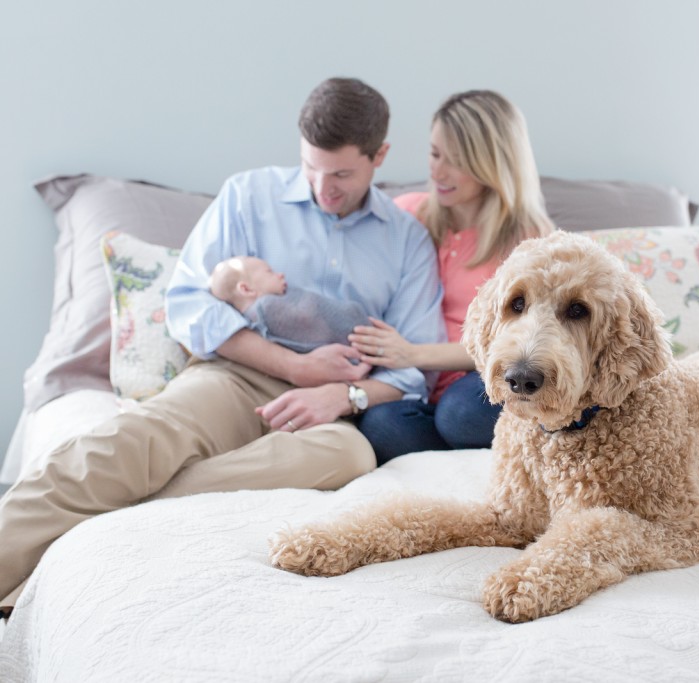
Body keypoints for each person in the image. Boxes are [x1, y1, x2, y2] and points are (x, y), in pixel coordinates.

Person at [0, 77, 446, 617]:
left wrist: (343, 397)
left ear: (380, 157)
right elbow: (188, 302)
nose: (323, 187)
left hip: (329, 408)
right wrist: (293, 365)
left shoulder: (407, 239)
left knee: (349, 454)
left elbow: (413, 367)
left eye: (342, 174)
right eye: (311, 168)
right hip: (234, 375)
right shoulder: (248, 197)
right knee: (136, 442)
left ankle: (114, 514)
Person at [350, 89, 554, 463]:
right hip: (417, 390)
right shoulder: (408, 215)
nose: (438, 172)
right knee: (380, 424)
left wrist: (411, 354)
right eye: (434, 153)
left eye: (456, 161)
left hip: (481, 381)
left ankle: (478, 438)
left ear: (491, 164)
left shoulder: (527, 240)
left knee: (461, 412)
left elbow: (518, 343)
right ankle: (466, 446)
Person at [209, 255, 371, 354]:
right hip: (352, 338)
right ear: (246, 289)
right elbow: (306, 315)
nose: (281, 275)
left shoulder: (251, 319)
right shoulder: (266, 308)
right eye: (269, 272)